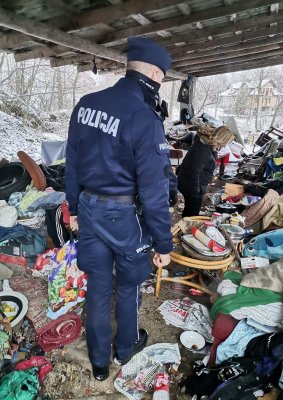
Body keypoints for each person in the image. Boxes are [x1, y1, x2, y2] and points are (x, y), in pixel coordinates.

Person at [65, 37, 174, 382]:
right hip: (124, 217)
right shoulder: (144, 117)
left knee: (98, 286)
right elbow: (155, 191)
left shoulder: (86, 104)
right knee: (127, 287)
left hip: (89, 208)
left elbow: (72, 165)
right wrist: (163, 244)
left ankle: (99, 364)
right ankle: (125, 347)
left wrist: (74, 209)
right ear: (156, 73)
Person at [177, 125, 234, 217]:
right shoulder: (204, 150)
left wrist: (215, 150)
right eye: (226, 142)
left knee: (190, 210)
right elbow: (193, 172)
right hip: (191, 186)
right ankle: (186, 229)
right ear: (221, 139)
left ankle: (185, 227)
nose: (225, 145)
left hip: (191, 183)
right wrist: (196, 191)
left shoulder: (207, 146)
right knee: (192, 214)